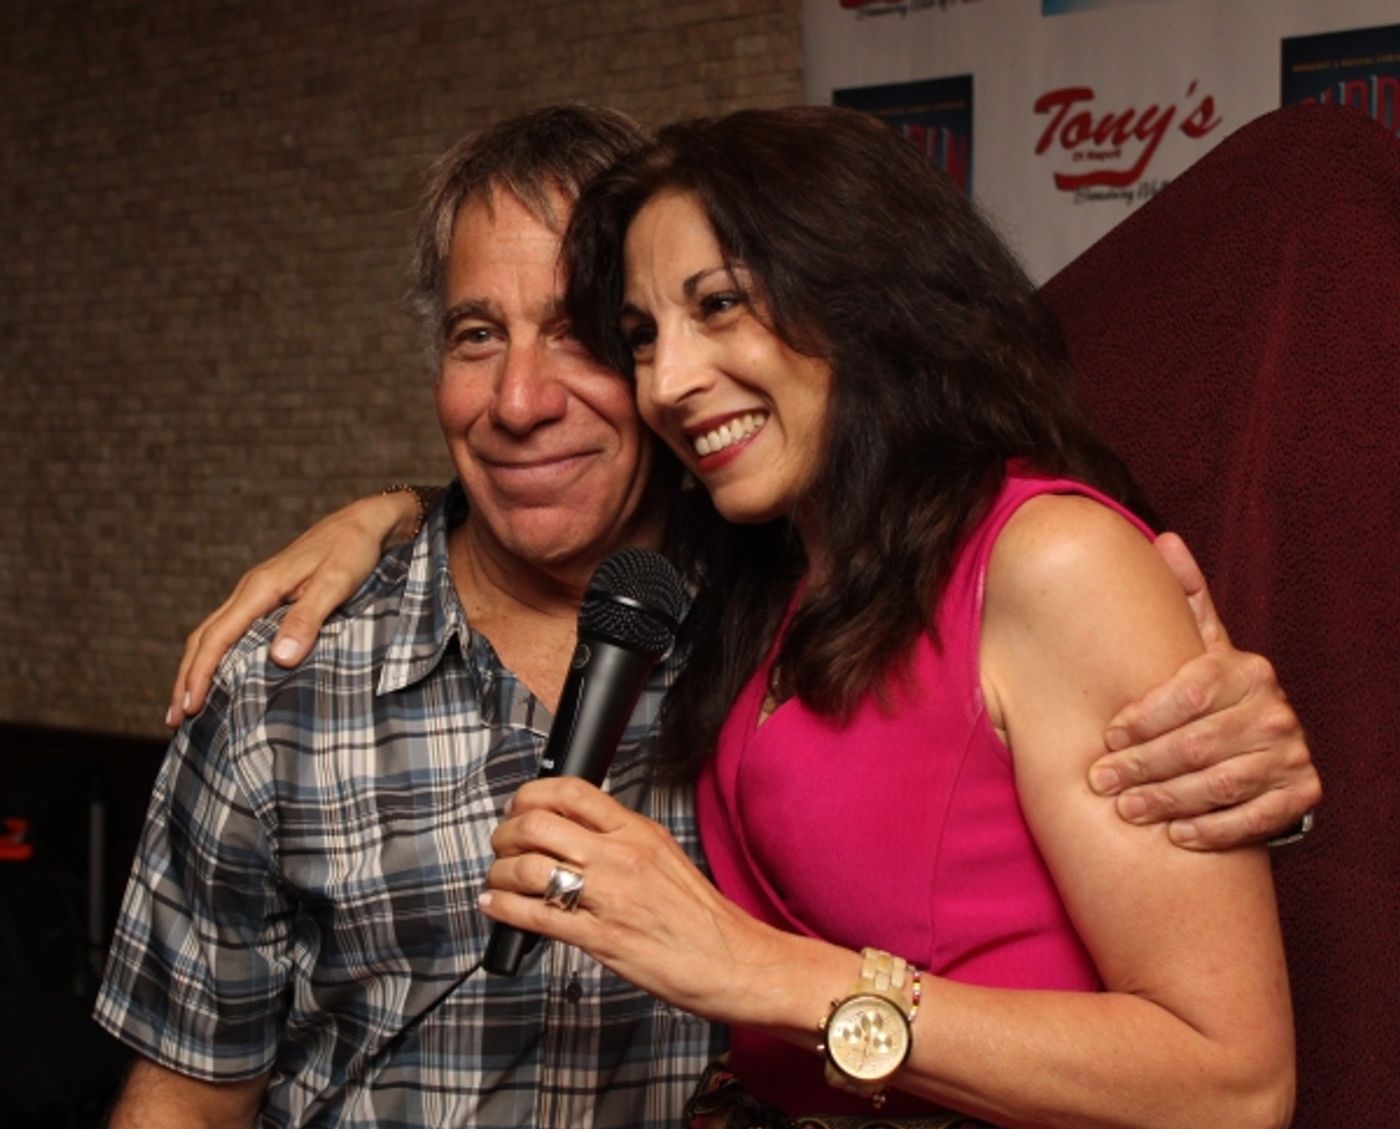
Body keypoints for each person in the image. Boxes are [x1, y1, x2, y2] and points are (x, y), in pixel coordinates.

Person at [101, 104, 1313, 1128]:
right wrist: (388, 513)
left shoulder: (828, 600)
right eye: (479, 336)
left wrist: (1250, 761)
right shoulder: (295, 682)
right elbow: (181, 1096)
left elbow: (1207, 1041)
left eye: (589, 337)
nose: (525, 397)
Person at [467, 106, 1295, 1126]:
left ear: (865, 297)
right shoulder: (766, 566)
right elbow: (518, 506)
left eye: (719, 304)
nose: (668, 382)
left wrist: (761, 972)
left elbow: (1232, 1084)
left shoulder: (1049, 559)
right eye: (642, 337)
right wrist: (373, 525)